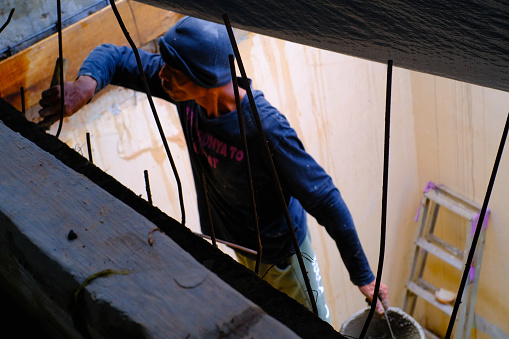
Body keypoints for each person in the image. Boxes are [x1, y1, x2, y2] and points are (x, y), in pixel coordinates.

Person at [39, 16, 389, 323]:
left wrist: (363, 276)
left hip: (282, 258)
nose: (162, 75)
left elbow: (325, 198)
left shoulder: (266, 129)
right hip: (235, 243)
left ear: (203, 77)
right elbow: (114, 56)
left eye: (172, 70)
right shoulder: (185, 92)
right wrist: (84, 87)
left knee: (305, 325)